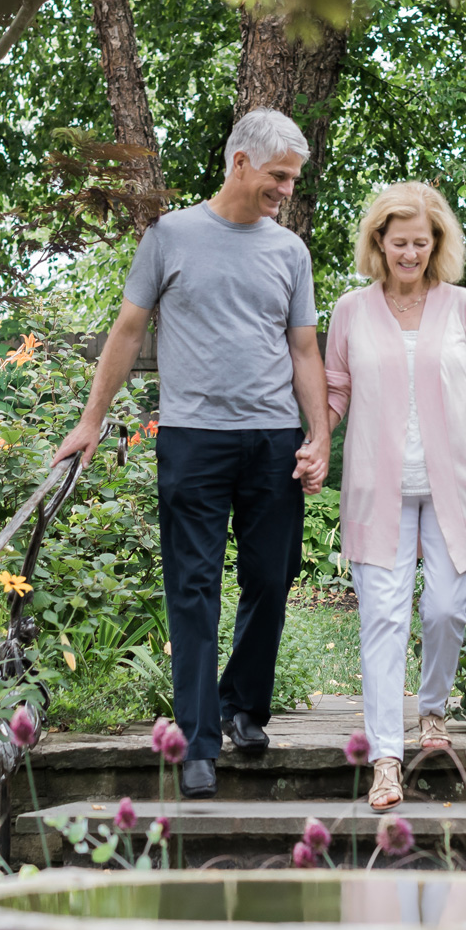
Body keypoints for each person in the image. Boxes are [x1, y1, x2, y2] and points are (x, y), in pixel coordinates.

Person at [54, 109, 330, 800]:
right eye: (278, 176)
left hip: (271, 440)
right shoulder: (171, 235)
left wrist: (319, 433)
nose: (286, 190)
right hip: (192, 439)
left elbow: (304, 350)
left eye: (292, 178)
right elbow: (126, 330)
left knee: (272, 576)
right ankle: (198, 740)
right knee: (193, 587)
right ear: (240, 161)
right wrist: (91, 421)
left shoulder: (289, 252)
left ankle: (244, 704)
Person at [322, 182, 466, 812]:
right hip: (377, 488)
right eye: (399, 242)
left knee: (445, 609)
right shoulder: (350, 310)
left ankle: (433, 709)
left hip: (456, 481)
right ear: (379, 241)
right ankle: (385, 757)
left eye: (421, 242)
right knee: (383, 617)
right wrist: (316, 440)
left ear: (437, 244)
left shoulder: (464, 307)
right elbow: (335, 389)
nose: (410, 253)